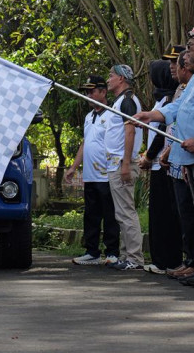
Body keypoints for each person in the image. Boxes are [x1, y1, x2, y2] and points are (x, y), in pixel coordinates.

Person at [134, 26, 194, 288]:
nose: (186, 54)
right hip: (187, 155)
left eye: (190, 47)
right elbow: (179, 107)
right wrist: (150, 115)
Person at [66, 75, 120, 265]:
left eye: (92, 91)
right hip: (90, 175)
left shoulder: (112, 114)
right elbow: (85, 142)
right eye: (87, 92)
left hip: (106, 174)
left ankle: (112, 252)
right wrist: (74, 167)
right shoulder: (89, 117)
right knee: (91, 215)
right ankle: (92, 251)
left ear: (103, 92)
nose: (88, 95)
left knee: (110, 214)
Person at [139, 60, 183, 274]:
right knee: (158, 214)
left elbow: (162, 132)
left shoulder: (169, 100)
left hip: (164, 163)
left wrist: (149, 156)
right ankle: (160, 258)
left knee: (166, 214)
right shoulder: (163, 99)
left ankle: (168, 259)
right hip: (158, 164)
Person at [162, 52, 194, 280]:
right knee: (186, 213)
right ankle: (190, 259)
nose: (173, 67)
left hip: (192, 154)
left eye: (175, 63)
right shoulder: (182, 89)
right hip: (178, 158)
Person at [104, 64, 144, 270]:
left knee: (126, 212)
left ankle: (135, 258)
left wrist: (126, 163)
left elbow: (130, 132)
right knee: (121, 213)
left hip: (122, 162)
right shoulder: (121, 101)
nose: (108, 79)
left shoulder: (128, 101)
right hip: (116, 163)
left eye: (111, 75)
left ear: (121, 78)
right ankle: (126, 255)